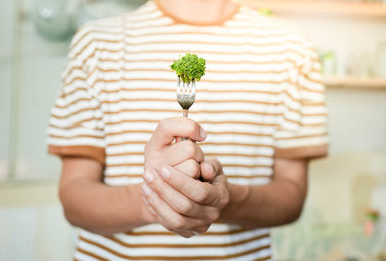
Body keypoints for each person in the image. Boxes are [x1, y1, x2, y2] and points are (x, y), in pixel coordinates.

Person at [47, 0, 328, 260]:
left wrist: (223, 199)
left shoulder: (292, 49)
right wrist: (156, 198)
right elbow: (74, 198)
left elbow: (291, 198)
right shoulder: (95, 44)